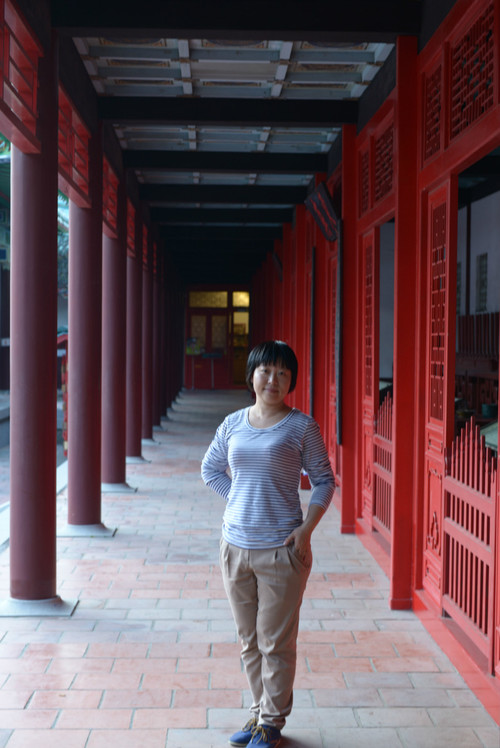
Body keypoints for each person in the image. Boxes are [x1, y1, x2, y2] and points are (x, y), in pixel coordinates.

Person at [201, 340, 335, 748]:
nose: (273, 380)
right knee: (248, 640)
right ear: (252, 375)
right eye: (266, 371)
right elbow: (210, 469)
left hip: (281, 548)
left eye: (283, 373)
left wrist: (306, 529)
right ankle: (259, 712)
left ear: (291, 381)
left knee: (275, 641)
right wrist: (242, 499)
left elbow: (324, 481)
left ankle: (272, 722)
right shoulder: (233, 423)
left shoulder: (301, 426)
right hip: (235, 545)